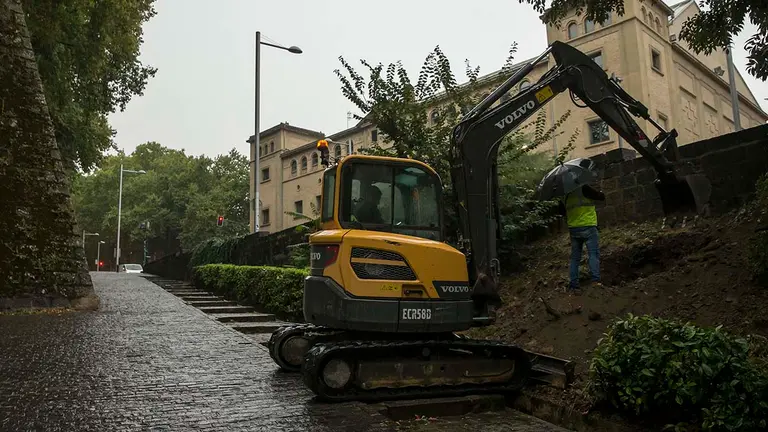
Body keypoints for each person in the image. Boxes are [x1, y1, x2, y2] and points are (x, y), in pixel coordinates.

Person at [559, 183, 605, 292]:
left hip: (574, 229)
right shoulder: (584, 188)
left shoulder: (564, 195)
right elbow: (601, 197)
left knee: (575, 258)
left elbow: (561, 212)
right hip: (588, 226)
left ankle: (574, 284)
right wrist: (601, 192)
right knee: (593, 254)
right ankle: (595, 281)